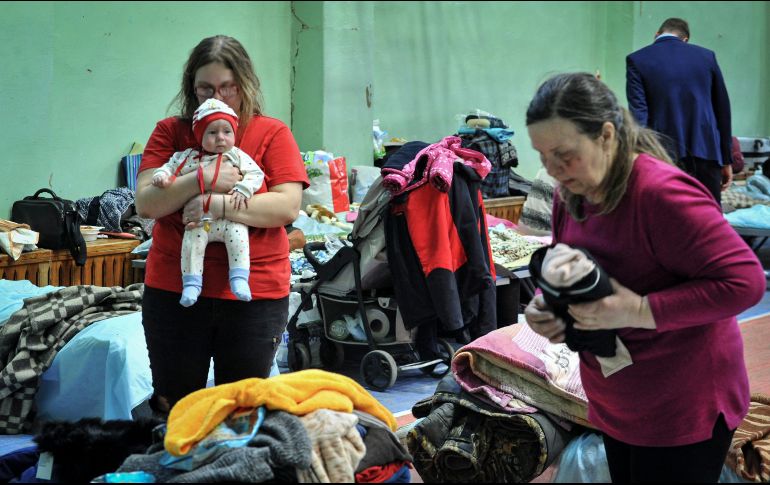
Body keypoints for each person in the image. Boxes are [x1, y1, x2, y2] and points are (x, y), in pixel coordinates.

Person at [523, 72, 766, 483]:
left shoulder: (660, 194)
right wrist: (550, 310)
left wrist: (637, 309)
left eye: (563, 153)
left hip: (681, 403)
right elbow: (579, 272)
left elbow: (746, 282)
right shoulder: (572, 195)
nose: (552, 169)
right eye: (542, 155)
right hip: (620, 396)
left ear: (604, 135)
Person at [135, 35, 309, 415]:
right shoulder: (170, 131)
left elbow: (285, 207)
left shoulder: (272, 132)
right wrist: (202, 178)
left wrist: (214, 204)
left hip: (256, 293)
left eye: (229, 88)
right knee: (176, 407)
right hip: (174, 289)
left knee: (242, 410)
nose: (219, 97)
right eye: (206, 88)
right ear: (191, 89)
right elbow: (147, 202)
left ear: (245, 84)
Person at [152, 98, 265, 307]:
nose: (220, 138)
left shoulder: (237, 156)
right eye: (212, 132)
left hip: (230, 218)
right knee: (191, 244)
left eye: (227, 132)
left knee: (240, 238)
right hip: (199, 220)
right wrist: (162, 175)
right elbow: (170, 166)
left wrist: (244, 187)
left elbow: (256, 174)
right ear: (199, 135)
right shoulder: (189, 157)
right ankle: (192, 284)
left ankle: (239, 279)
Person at [626, 17, 734, 204]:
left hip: (662, 155)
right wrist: (726, 159)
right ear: (685, 39)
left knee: (665, 219)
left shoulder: (637, 59)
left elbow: (639, 117)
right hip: (706, 152)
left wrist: (638, 160)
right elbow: (722, 111)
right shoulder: (706, 57)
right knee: (708, 219)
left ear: (657, 35)